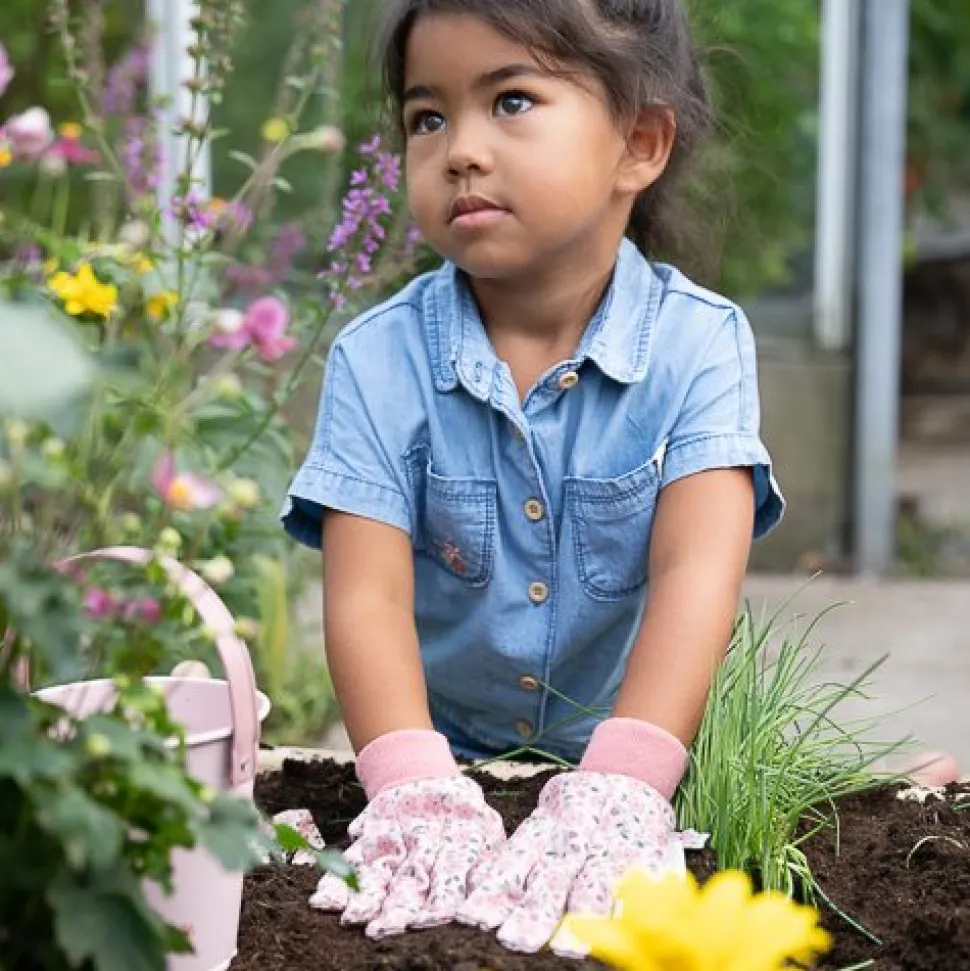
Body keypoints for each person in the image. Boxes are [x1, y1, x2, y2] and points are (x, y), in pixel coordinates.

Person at [282, 0, 785, 955]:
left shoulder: (700, 345)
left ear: (638, 144)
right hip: (453, 763)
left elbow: (696, 576)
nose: (459, 150)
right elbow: (366, 600)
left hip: (654, 771)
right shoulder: (375, 362)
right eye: (427, 117)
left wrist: (625, 784)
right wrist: (412, 788)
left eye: (510, 100)